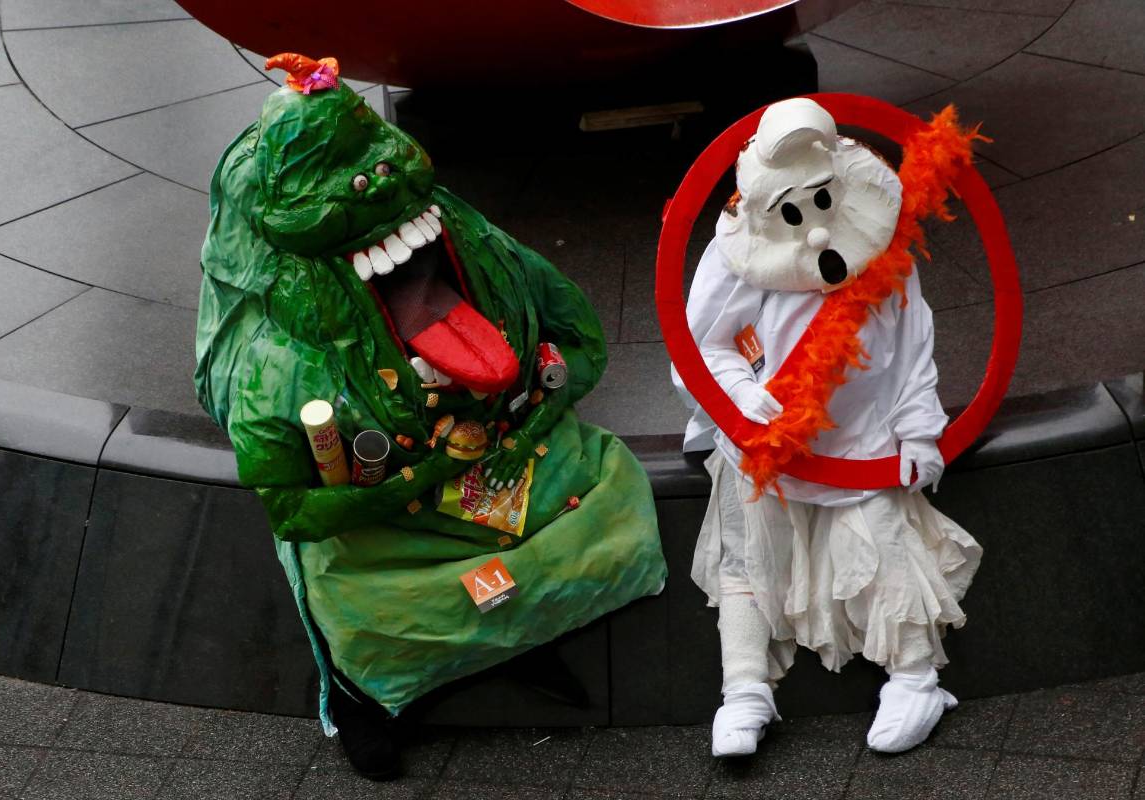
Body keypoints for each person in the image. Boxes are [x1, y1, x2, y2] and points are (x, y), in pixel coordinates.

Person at [195, 53, 666, 780]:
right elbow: (290, 509)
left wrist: (532, 426)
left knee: (576, 527)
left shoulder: (480, 251)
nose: (379, 183)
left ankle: (517, 638)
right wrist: (422, 477)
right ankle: (366, 697)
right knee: (370, 599)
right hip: (385, 509)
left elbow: (581, 341)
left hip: (506, 465)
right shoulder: (282, 362)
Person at [672, 97, 982, 757]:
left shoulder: (875, 230)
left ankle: (916, 678)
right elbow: (700, 342)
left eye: (820, 203)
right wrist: (735, 393)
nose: (813, 233)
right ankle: (746, 691)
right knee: (746, 561)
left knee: (880, 546)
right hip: (764, 448)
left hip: (862, 438)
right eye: (793, 211)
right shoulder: (737, 254)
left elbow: (908, 340)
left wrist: (920, 429)